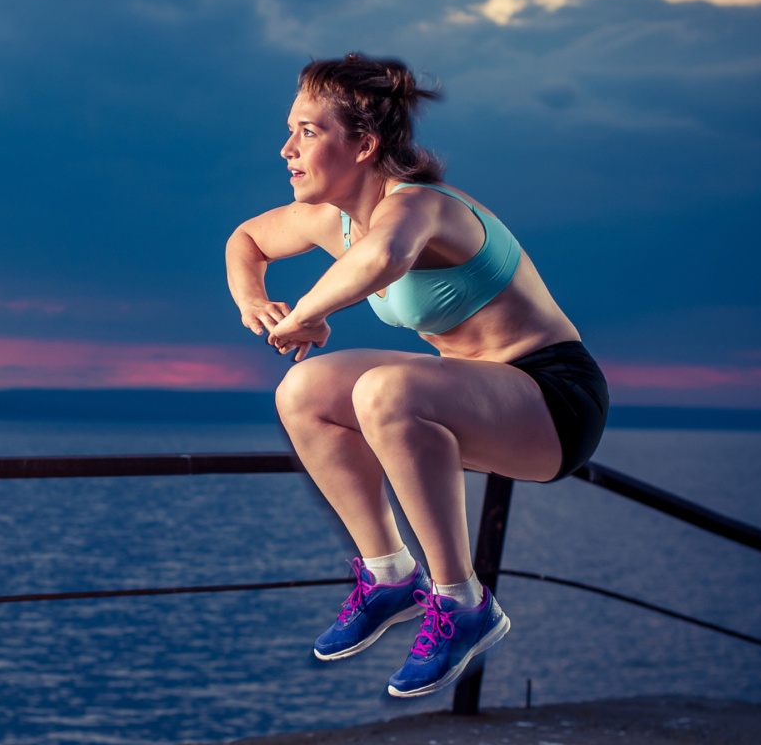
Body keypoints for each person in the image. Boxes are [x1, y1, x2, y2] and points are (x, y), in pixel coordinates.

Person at [225, 54, 608, 698]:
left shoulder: (421, 208)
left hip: (552, 399)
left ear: (365, 145)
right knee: (303, 391)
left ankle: (462, 602)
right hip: (470, 390)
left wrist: (311, 314)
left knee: (384, 390)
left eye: (309, 132)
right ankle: (391, 575)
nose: (287, 148)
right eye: (291, 130)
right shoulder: (332, 220)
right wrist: (253, 303)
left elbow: (384, 257)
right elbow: (247, 240)